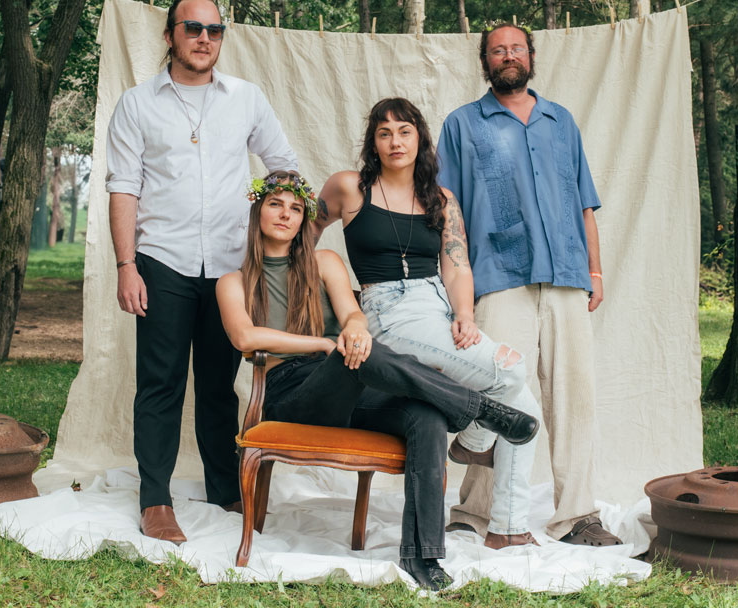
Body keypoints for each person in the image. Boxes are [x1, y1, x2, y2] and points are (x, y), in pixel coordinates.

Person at [216, 171, 538, 590]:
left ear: (303, 221)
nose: (286, 215)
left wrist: (354, 329)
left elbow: (353, 314)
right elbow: (245, 336)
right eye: (276, 204)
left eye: (296, 209)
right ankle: (478, 409)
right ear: (259, 210)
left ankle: (422, 559)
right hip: (293, 393)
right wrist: (321, 345)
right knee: (358, 355)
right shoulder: (233, 282)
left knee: (422, 414)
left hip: (348, 381)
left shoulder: (325, 263)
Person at [105, 0, 298, 543]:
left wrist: (272, 224)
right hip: (161, 262)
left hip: (230, 270)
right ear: (170, 36)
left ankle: (223, 488)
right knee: (160, 384)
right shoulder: (138, 104)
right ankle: (155, 500)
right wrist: (126, 265)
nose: (204, 39)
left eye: (214, 31)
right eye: (193, 28)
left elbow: (283, 166)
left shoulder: (246, 98)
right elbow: (124, 188)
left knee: (219, 385)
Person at [316, 98, 543, 549]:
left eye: (404, 131)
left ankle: (508, 528)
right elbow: (300, 239)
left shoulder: (441, 199)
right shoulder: (349, 187)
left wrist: (463, 316)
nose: (395, 141)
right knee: (512, 370)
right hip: (386, 311)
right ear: (373, 143)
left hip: (437, 306)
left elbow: (456, 266)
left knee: (526, 406)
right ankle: (476, 442)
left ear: (419, 138)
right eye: (384, 133)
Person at [435, 22, 621, 546]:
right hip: (497, 276)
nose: (508, 56)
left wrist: (595, 271)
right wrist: (459, 292)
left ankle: (578, 516)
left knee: (573, 397)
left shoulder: (561, 122)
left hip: (565, 273)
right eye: (498, 50)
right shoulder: (462, 124)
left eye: (516, 48)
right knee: (497, 393)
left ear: (531, 56)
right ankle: (474, 511)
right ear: (485, 62)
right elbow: (449, 210)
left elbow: (584, 201)